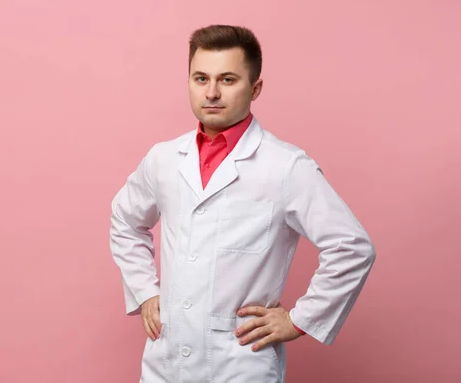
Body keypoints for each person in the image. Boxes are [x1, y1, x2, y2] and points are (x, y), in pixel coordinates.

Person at [109, 24, 376, 383]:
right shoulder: (164, 159)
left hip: (240, 363)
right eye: (201, 78)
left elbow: (352, 246)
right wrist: (145, 291)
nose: (212, 92)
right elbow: (125, 221)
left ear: (255, 88)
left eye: (228, 79)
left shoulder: (285, 167)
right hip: (166, 361)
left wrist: (300, 319)